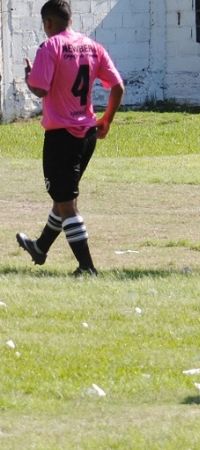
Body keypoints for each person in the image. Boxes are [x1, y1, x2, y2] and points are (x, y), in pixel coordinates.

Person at [16, 0, 125, 276]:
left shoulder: (49, 47)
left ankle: (86, 267)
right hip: (87, 132)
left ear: (48, 23)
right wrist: (107, 119)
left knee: (66, 203)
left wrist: (29, 77)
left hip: (61, 135)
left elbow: (40, 90)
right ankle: (40, 248)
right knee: (63, 198)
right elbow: (117, 86)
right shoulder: (93, 46)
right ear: (70, 19)